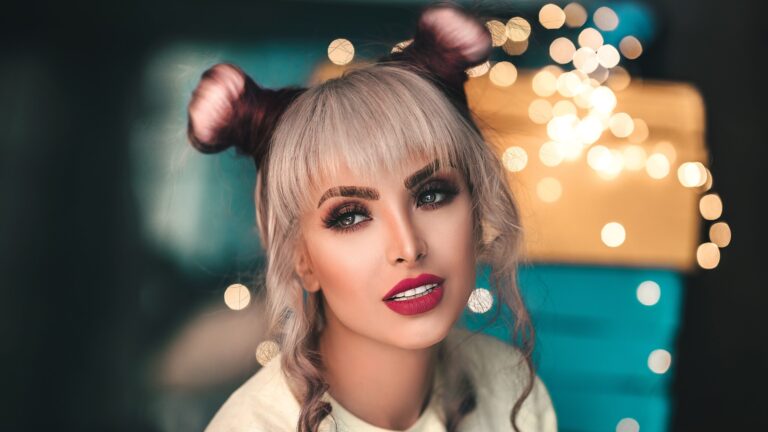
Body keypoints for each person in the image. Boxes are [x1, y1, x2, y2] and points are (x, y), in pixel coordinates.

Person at [186, 2, 557, 431]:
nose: (408, 246)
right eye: (349, 217)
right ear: (301, 259)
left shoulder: (509, 390)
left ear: (476, 211)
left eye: (432, 195)